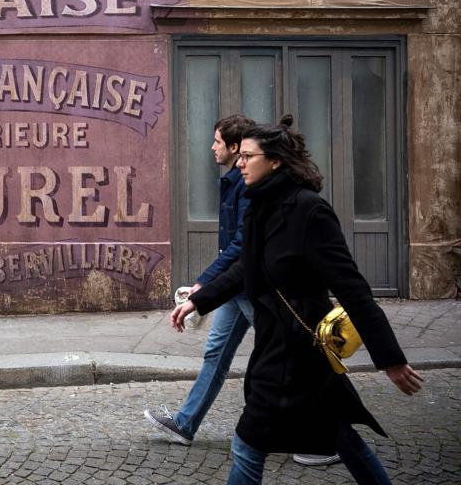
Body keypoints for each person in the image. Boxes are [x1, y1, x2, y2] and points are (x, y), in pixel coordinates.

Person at [171, 115, 423, 485]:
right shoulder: (259, 207)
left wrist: (391, 360)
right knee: (340, 435)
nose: (239, 163)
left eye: (248, 157)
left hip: (298, 351)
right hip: (277, 343)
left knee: (247, 442)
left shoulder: (310, 211)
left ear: (275, 161)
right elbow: (245, 267)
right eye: (238, 156)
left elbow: (354, 291)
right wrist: (200, 300)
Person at [144, 114, 256, 446]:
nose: (212, 147)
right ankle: (185, 424)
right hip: (234, 287)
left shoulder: (247, 184)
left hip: (249, 285)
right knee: (216, 355)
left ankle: (325, 437)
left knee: (285, 358)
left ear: (235, 148)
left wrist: (206, 281)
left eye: (217, 141)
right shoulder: (235, 180)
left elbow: (240, 243)